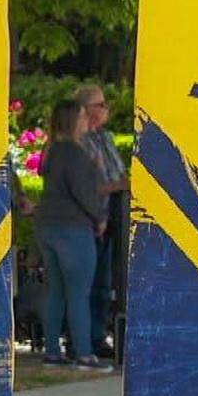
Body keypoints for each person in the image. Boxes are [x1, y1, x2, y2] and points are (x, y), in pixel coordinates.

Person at [35, 100, 109, 369]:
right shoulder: (75, 154)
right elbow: (83, 192)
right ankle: (84, 353)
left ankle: (52, 350)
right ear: (72, 121)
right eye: (81, 117)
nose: (85, 121)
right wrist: (99, 218)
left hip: (47, 224)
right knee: (79, 292)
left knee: (55, 290)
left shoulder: (51, 151)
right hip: (73, 228)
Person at [76, 84, 128, 360]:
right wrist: (117, 185)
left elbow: (115, 171)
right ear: (86, 110)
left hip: (112, 219)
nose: (106, 109)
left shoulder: (105, 138)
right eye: (101, 104)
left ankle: (98, 337)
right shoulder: (78, 141)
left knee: (103, 284)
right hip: (88, 220)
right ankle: (82, 340)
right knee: (85, 283)